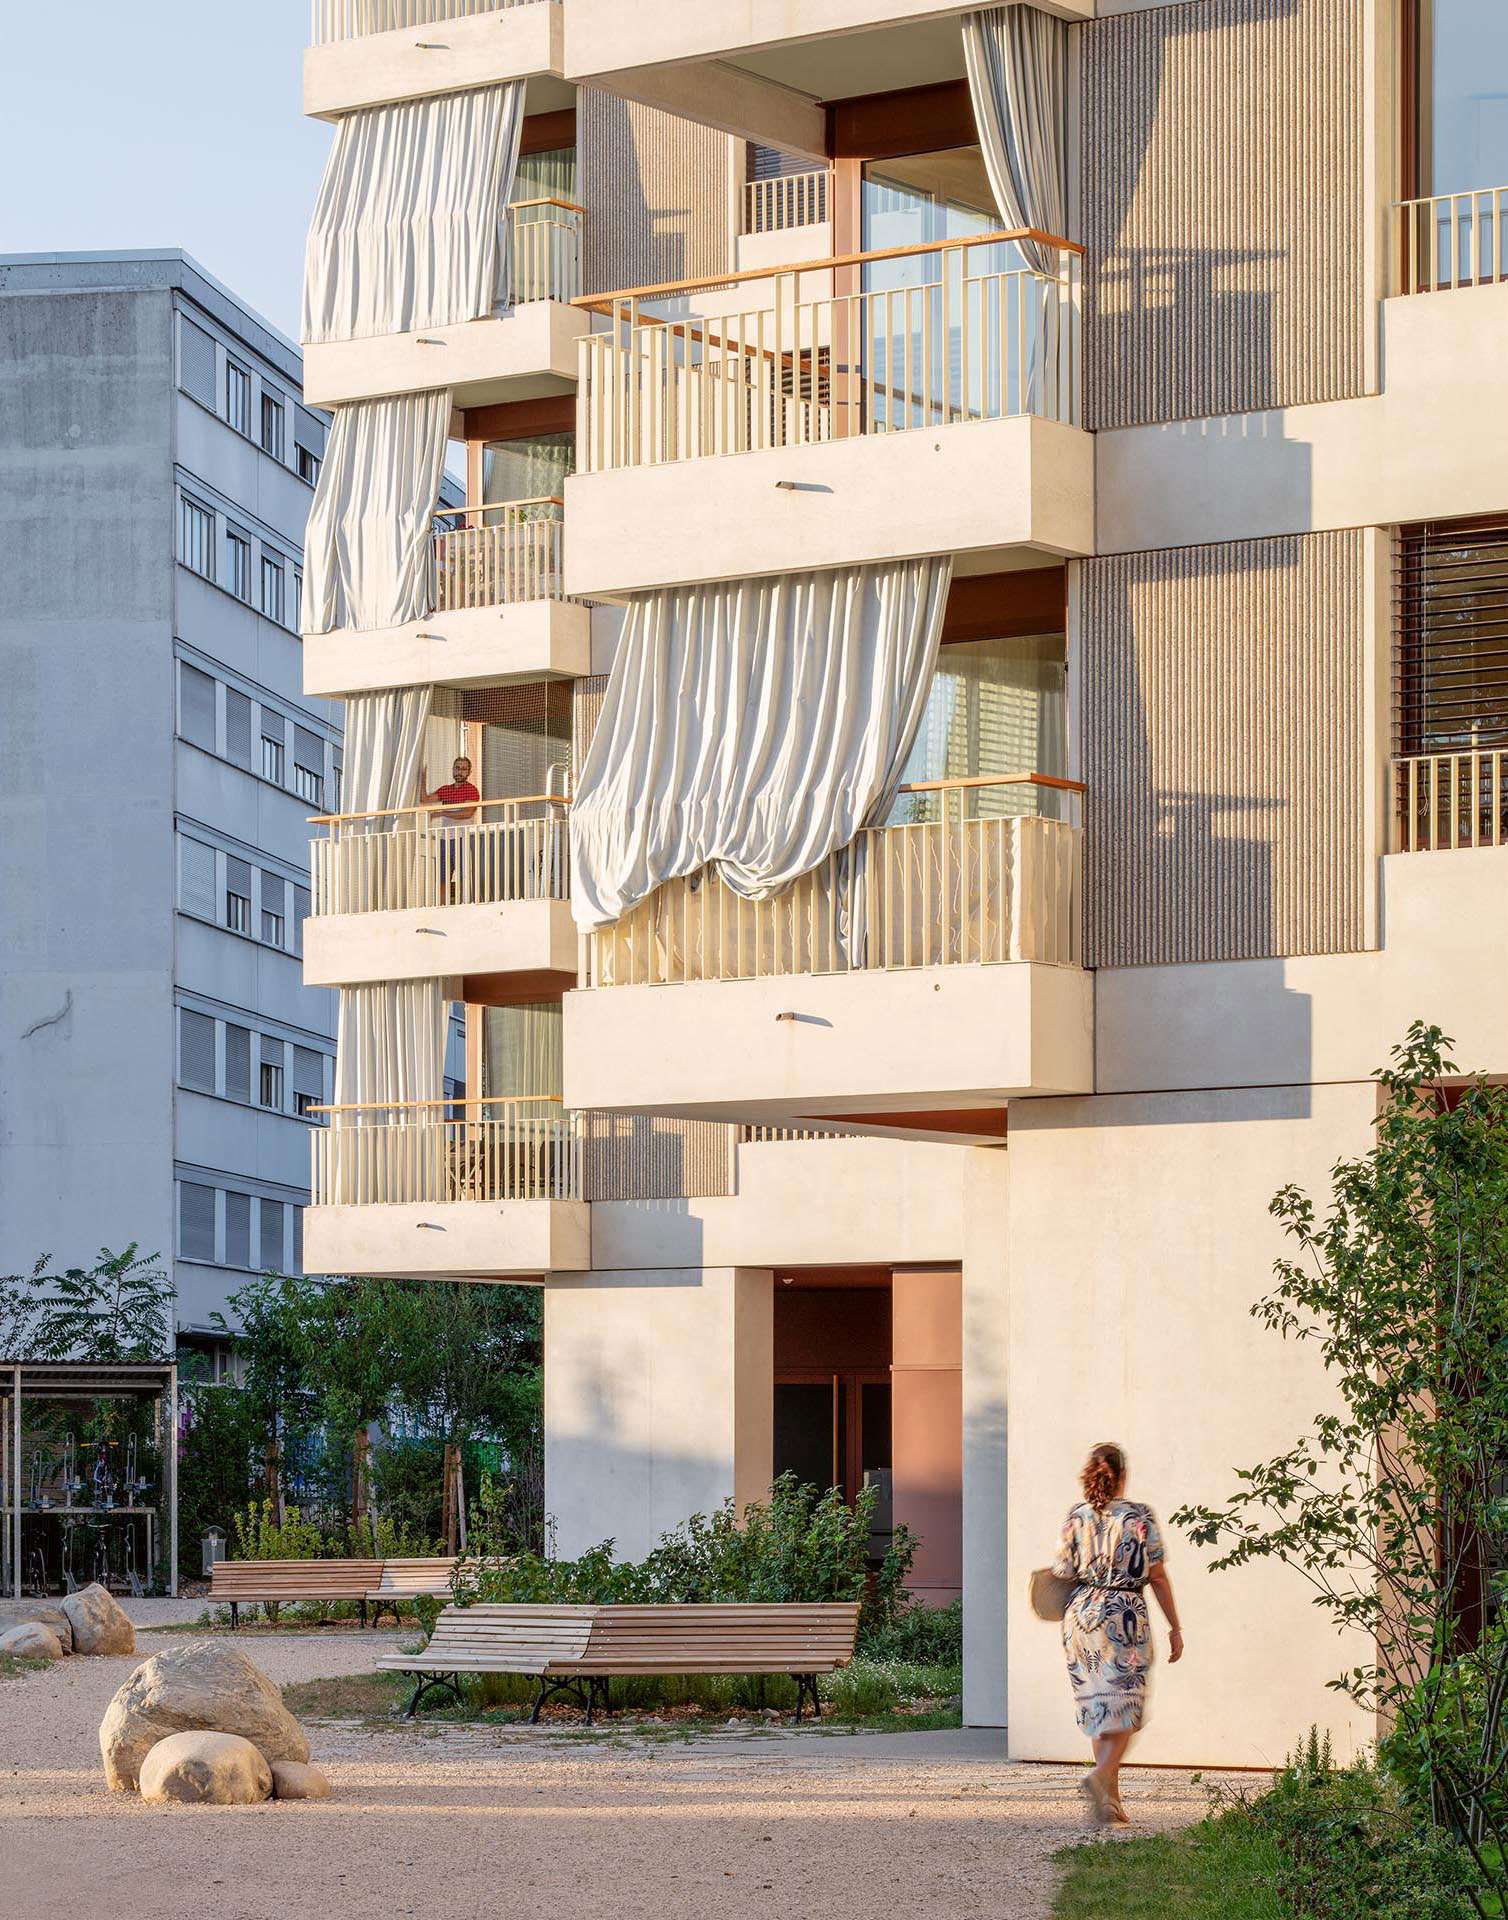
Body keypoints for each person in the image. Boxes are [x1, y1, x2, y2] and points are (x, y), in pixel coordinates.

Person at [1051, 1441, 1183, 1825]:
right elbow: (1157, 1576)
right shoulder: (1139, 1517)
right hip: (1123, 1617)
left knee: (1100, 1708)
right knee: (1126, 1708)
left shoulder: (1075, 1516)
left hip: (1081, 1619)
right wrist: (1175, 1626)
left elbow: (1062, 1572)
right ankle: (1100, 1775)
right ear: (1123, 1475)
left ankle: (1109, 1801)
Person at [422, 757, 480, 897]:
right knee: (442, 878)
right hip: (445, 840)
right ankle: (443, 905)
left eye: (463, 769)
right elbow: (425, 800)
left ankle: (464, 903)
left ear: (469, 772)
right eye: (457, 768)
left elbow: (467, 813)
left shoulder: (471, 790)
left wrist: (442, 813)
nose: (459, 772)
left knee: (463, 876)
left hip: (462, 838)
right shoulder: (446, 789)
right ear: (453, 769)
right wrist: (422, 778)